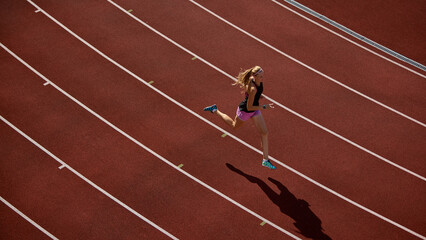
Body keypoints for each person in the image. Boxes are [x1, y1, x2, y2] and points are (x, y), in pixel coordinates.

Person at [203, 66, 276, 169]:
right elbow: (249, 106)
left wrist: (259, 96)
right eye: (261, 76)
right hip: (245, 111)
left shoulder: (255, 82)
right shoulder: (253, 88)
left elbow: (251, 95)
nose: (263, 78)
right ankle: (215, 110)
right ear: (255, 77)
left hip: (254, 110)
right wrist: (264, 106)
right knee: (234, 126)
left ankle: (265, 160)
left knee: (264, 132)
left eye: (263, 75)